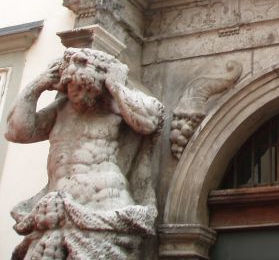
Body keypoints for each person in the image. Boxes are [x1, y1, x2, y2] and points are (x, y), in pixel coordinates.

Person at [5, 48, 164, 260]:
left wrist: (116, 85)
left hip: (103, 207)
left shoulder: (118, 107)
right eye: (71, 86)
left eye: (82, 86)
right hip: (54, 216)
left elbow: (150, 121)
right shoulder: (60, 110)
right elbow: (16, 132)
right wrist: (37, 86)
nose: (75, 94)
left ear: (99, 85)